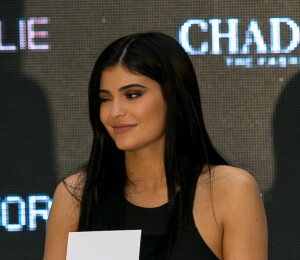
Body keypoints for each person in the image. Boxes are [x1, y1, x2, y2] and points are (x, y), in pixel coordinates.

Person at [43, 32, 267, 260]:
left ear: (175, 98)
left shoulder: (230, 190)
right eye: (105, 99)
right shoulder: (76, 196)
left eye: (132, 95)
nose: (115, 112)